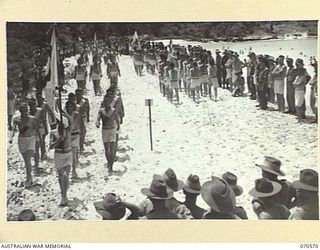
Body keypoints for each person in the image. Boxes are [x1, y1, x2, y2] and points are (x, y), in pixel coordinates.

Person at [9, 103, 38, 188]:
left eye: (25, 110)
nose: (24, 112)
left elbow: (36, 129)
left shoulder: (32, 119)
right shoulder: (16, 119)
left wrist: (38, 138)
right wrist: (11, 138)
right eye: (22, 110)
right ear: (20, 110)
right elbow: (13, 129)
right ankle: (30, 177)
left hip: (31, 140)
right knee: (26, 160)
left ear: (27, 110)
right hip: (22, 140)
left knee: (27, 160)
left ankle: (29, 179)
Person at [49, 110, 73, 206]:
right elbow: (51, 146)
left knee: (66, 175)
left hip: (68, 153)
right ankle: (63, 195)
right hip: (59, 155)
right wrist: (59, 140)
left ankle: (64, 195)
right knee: (60, 176)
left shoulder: (68, 130)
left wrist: (65, 113)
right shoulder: (54, 133)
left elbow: (72, 121)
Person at [96, 90, 118, 173]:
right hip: (105, 130)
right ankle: (109, 163)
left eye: (108, 101)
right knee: (106, 150)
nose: (106, 103)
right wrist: (97, 123)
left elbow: (116, 118)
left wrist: (118, 126)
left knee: (112, 149)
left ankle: (111, 166)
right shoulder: (101, 111)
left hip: (112, 130)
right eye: (105, 101)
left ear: (110, 102)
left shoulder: (113, 110)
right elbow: (98, 119)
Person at [65, 100, 83, 179]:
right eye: (68, 107)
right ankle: (69, 170)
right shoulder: (64, 115)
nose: (70, 108)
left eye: (71, 106)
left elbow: (80, 123)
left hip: (75, 134)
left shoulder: (76, 114)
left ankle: (74, 171)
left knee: (74, 153)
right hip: (67, 136)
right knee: (68, 154)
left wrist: (81, 131)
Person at [293, 58, 310, 122]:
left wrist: (303, 83)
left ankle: (302, 114)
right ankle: (299, 114)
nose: (297, 65)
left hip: (301, 87)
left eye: (298, 64)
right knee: (298, 101)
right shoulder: (297, 70)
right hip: (297, 87)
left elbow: (308, 77)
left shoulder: (303, 70)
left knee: (301, 101)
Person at [75, 89, 90, 153]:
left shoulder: (84, 101)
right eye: (77, 94)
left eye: (79, 93)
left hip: (82, 118)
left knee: (83, 131)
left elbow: (88, 109)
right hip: (75, 119)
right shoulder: (73, 101)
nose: (78, 95)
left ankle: (81, 145)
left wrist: (88, 117)